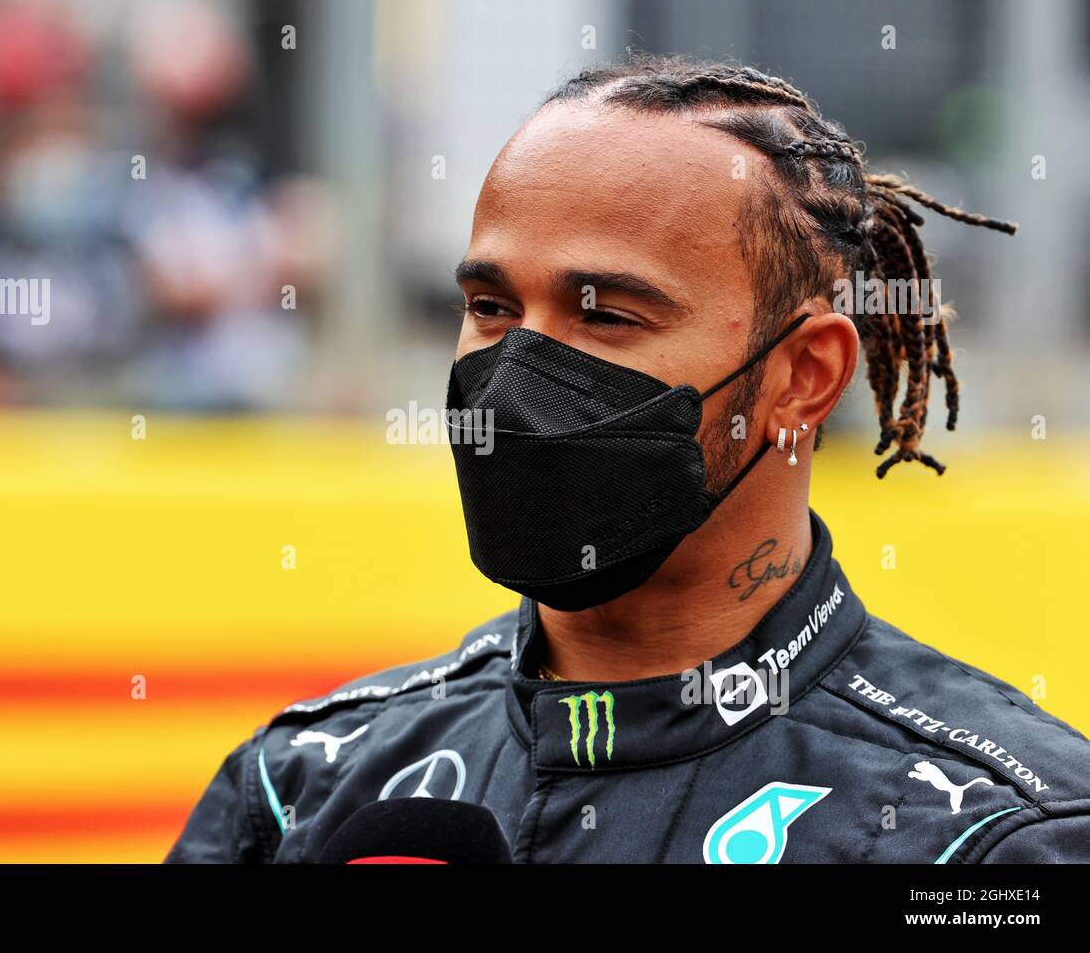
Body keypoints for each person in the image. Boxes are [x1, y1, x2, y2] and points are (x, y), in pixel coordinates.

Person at [167, 56, 1090, 863]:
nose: (517, 372)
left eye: (605, 316)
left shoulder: (992, 834)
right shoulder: (301, 791)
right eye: (491, 308)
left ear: (804, 377)